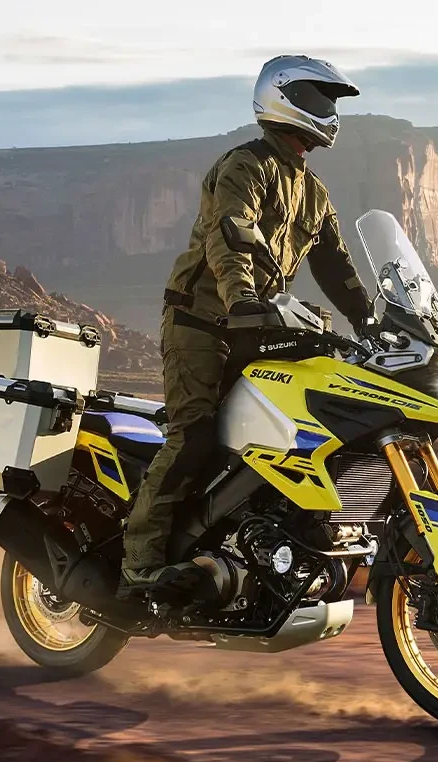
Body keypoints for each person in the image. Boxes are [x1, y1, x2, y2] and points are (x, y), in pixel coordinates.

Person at [120, 54, 374, 604]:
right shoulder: (244, 166)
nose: (327, 113)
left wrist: (371, 317)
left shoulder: (313, 190)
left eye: (330, 103)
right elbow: (229, 240)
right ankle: (138, 565)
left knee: (281, 433)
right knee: (195, 434)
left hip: (255, 325)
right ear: (281, 99)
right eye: (317, 100)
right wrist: (244, 300)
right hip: (203, 323)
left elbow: (336, 266)